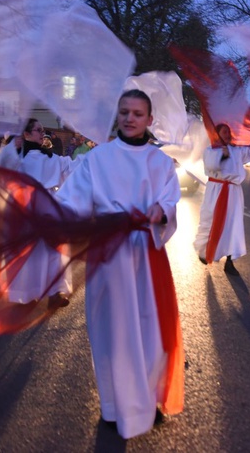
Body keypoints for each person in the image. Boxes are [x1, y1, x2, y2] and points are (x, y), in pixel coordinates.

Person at [54, 89, 183, 439]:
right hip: (109, 256)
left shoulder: (159, 162)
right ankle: (113, 405)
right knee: (112, 331)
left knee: (150, 330)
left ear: (149, 120)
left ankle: (148, 400)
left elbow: (171, 198)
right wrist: (47, 212)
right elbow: (71, 201)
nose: (129, 118)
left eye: (137, 113)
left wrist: (162, 210)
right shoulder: (98, 159)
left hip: (146, 255)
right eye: (124, 111)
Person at [5, 118, 79, 308]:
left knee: (55, 249)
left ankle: (55, 292)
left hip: (49, 207)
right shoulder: (17, 158)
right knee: (29, 252)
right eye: (38, 130)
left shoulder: (50, 157)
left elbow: (71, 166)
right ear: (27, 134)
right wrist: (12, 146)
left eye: (42, 129)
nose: (42, 133)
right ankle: (26, 293)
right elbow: (2, 168)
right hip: (26, 207)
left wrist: (96, 155)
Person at [193, 122, 250, 275]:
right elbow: (211, 165)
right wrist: (222, 155)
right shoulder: (210, 150)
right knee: (210, 220)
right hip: (216, 190)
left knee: (233, 225)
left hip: (233, 192)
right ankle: (204, 251)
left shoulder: (237, 151)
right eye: (224, 132)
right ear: (217, 134)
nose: (228, 134)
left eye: (229, 132)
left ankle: (230, 261)